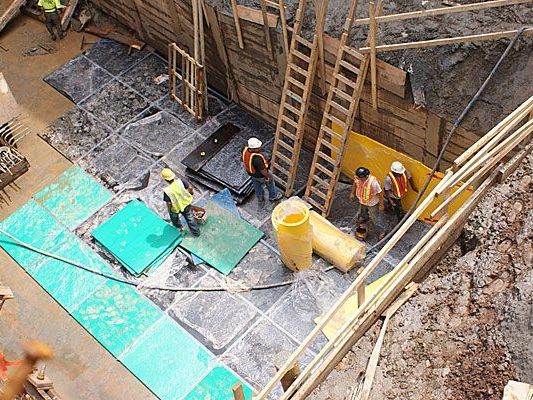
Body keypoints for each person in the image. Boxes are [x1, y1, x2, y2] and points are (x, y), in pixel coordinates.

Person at [161, 168, 200, 237]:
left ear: (165, 179)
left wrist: (170, 210)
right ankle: (196, 233)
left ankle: (179, 227)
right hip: (186, 204)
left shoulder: (167, 191)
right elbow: (190, 187)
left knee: (175, 219)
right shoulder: (180, 182)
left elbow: (169, 203)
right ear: (173, 175)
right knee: (190, 218)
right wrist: (191, 193)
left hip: (175, 208)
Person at [242, 137, 282, 202]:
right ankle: (273, 196)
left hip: (252, 174)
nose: (259, 148)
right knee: (270, 183)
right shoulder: (257, 159)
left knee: (256, 185)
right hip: (261, 175)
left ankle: (260, 197)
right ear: (252, 149)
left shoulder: (245, 150)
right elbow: (263, 170)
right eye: (257, 148)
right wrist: (267, 177)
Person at [350, 167, 385, 240]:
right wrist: (352, 193)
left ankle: (382, 230)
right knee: (362, 213)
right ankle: (364, 221)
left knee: (374, 217)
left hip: (372, 203)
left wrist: (381, 205)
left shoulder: (373, 183)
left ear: (365, 177)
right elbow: (355, 183)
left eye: (360, 178)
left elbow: (380, 194)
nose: (359, 179)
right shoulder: (358, 178)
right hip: (362, 201)